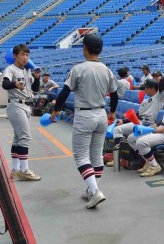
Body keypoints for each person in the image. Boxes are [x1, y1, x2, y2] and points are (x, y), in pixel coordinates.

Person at [51, 34, 118, 208]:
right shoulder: (106, 69)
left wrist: (55, 111)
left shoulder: (79, 68)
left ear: (84, 49)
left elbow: (64, 92)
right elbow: (115, 94)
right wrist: (112, 113)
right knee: (96, 155)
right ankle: (91, 190)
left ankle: (95, 192)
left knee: (81, 156)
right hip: (101, 114)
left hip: (85, 115)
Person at [104, 76, 164, 166]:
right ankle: (120, 158)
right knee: (117, 130)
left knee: (132, 138)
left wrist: (159, 80)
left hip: (147, 125)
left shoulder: (159, 97)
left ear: (152, 88)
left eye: (146, 87)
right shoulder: (145, 101)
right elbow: (137, 115)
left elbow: (163, 83)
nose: (144, 89)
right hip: (138, 122)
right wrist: (123, 121)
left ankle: (142, 159)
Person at [2, 45, 42, 181]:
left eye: (27, 55)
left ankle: (15, 169)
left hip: (27, 105)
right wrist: (14, 84)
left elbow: (35, 90)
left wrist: (37, 78)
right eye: (22, 54)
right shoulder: (10, 69)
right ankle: (24, 170)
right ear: (15, 56)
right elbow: (4, 84)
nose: (25, 57)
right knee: (25, 137)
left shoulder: (27, 70)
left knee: (18, 138)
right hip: (16, 104)